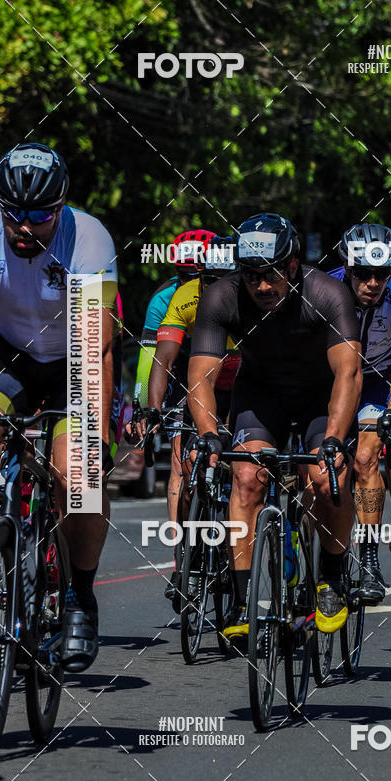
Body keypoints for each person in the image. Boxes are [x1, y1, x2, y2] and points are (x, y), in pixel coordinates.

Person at [187, 211, 362, 638]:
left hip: (321, 395)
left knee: (327, 477)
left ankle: (333, 576)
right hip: (262, 394)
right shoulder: (221, 298)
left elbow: (348, 374)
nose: (262, 286)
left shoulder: (329, 293)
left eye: (271, 275)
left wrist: (336, 439)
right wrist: (210, 434)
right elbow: (200, 377)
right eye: (251, 276)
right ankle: (245, 602)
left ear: (292, 265)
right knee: (246, 477)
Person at [0, 142, 118, 671]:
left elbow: (97, 348)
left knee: (80, 474)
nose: (25, 227)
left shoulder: (87, 238)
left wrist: (96, 437)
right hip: (8, 355)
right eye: (13, 215)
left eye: (40, 216)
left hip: (74, 358)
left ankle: (79, 599)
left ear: (61, 207)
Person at [328, 223, 391, 604]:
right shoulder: (327, 289)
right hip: (334, 379)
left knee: (367, 457)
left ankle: (369, 562)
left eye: (380, 274)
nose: (372, 283)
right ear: (348, 269)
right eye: (363, 274)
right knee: (314, 466)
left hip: (377, 382)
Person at [144, 232, 240, 606]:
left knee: (239, 465)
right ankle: (189, 555)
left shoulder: (250, 299)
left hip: (244, 381)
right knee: (188, 468)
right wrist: (153, 409)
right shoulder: (185, 296)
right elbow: (163, 359)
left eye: (225, 280)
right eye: (210, 279)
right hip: (200, 382)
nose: (217, 288)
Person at [132, 229, 217, 548]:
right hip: (178, 369)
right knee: (181, 464)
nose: (190, 283)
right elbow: (149, 358)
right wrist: (144, 407)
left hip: (221, 367)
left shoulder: (230, 290)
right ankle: (182, 551)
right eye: (183, 274)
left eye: (197, 274)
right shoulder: (164, 298)